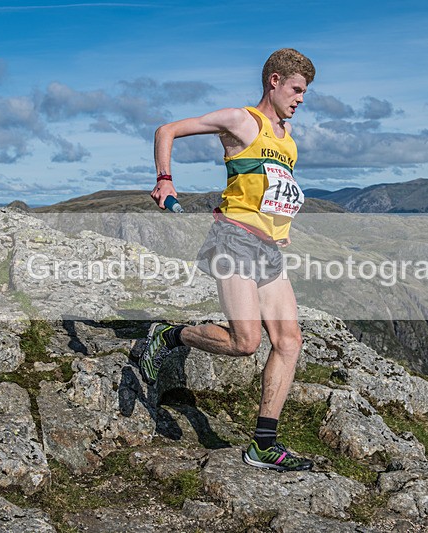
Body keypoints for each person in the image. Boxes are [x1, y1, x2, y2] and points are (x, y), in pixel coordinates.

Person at [140, 48, 315, 472]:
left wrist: (279, 224)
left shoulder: (288, 138)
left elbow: (268, 187)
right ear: (274, 81)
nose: (301, 99)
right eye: (296, 89)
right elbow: (167, 130)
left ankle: (263, 445)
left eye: (305, 93)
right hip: (233, 239)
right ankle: (170, 336)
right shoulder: (241, 120)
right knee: (245, 342)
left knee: (289, 342)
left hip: (267, 247)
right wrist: (165, 180)